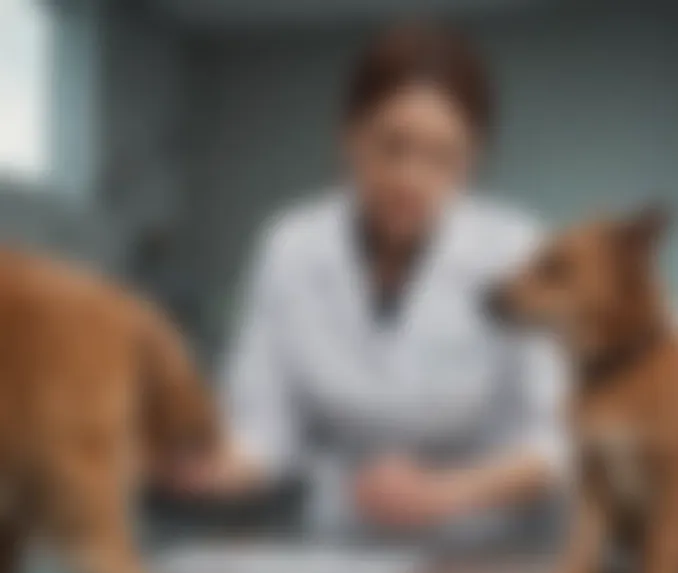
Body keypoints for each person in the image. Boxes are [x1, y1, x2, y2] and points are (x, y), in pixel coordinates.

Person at [177, 23, 568, 536]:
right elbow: (263, 427)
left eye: (442, 157)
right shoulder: (291, 246)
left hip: (484, 539)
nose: (410, 178)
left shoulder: (518, 252)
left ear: (472, 160)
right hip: (340, 537)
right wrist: (215, 468)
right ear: (349, 134)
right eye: (391, 146)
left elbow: (559, 440)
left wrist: (445, 494)